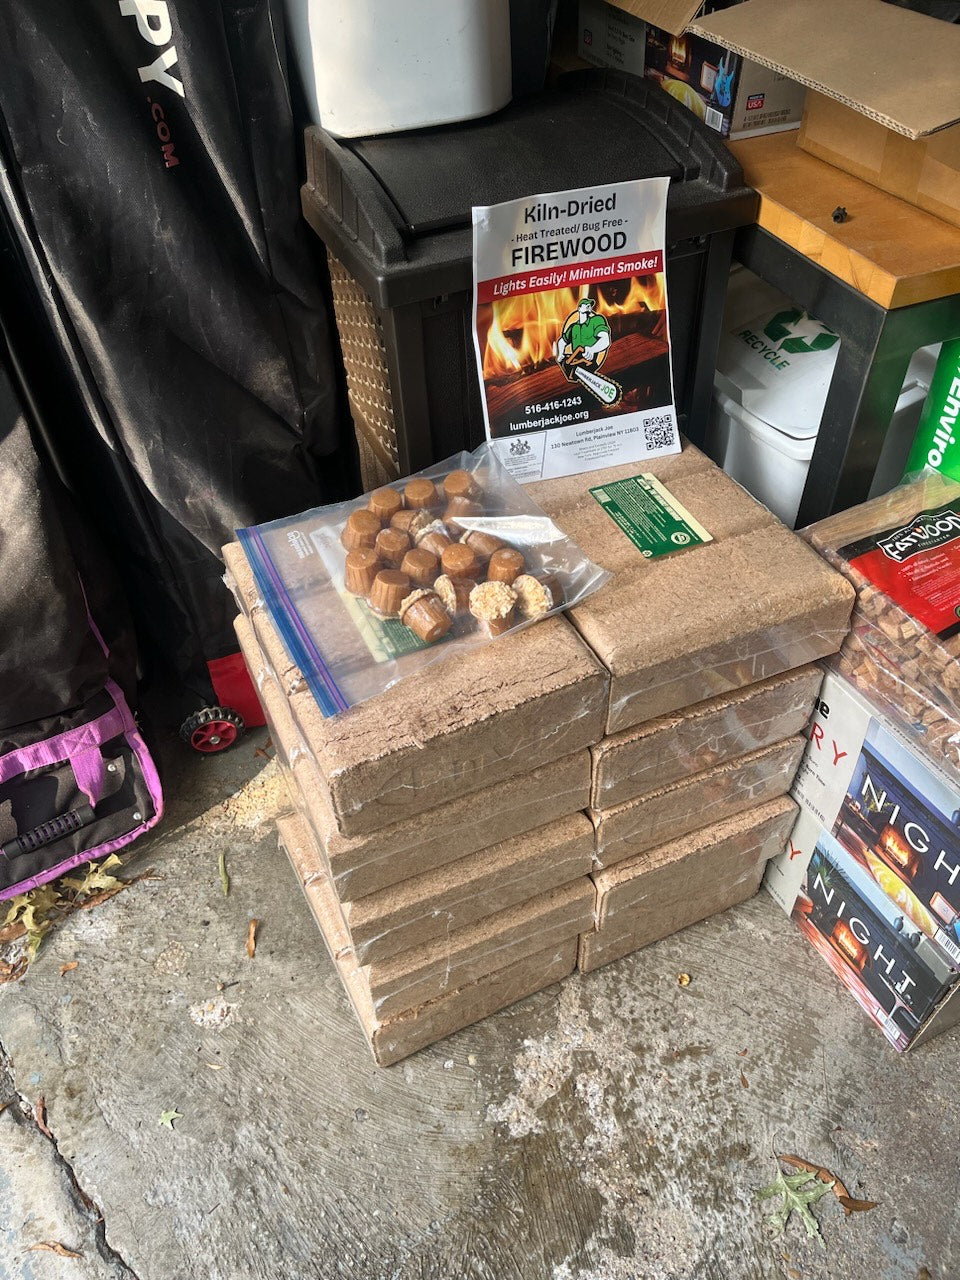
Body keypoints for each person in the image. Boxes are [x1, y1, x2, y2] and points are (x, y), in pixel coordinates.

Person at [556, 296, 611, 379]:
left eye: (590, 305)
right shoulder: (573, 327)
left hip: (589, 361)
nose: (589, 306)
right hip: (574, 359)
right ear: (579, 308)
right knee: (568, 365)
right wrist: (560, 354)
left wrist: (592, 349)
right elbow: (562, 341)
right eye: (586, 304)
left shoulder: (596, 320)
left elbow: (605, 339)